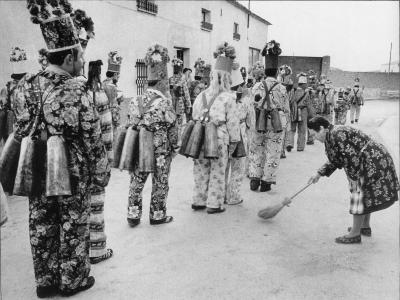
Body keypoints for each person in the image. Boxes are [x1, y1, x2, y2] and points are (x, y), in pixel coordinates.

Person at [18, 2, 109, 297]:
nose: (82, 62)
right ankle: (72, 280)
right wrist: (101, 172)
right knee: (72, 222)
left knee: (41, 221)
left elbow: (19, 129)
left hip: (36, 164)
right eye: (80, 56)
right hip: (71, 169)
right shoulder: (76, 89)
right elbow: (92, 137)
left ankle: (45, 282)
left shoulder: (27, 85)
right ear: (69, 56)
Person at [308, 116, 399, 244]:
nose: (314, 138)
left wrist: (354, 179)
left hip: (373, 160)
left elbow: (352, 160)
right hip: (371, 159)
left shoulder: (336, 135)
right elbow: (336, 159)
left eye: (314, 134)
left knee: (358, 194)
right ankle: (364, 226)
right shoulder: (332, 135)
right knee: (365, 194)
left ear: (322, 129)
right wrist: (319, 173)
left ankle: (355, 234)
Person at [126, 44, 178, 226]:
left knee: (137, 180)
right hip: (160, 150)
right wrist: (174, 148)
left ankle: (133, 215)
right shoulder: (164, 103)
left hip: (139, 147)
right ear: (162, 80)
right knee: (160, 181)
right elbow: (173, 128)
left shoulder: (134, 101)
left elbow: (130, 124)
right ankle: (157, 215)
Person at [191, 42, 240, 214]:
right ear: (227, 77)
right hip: (219, 138)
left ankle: (198, 200)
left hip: (200, 136)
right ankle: (214, 204)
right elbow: (233, 124)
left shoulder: (200, 96)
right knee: (218, 171)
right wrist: (233, 144)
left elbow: (193, 115)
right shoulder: (228, 97)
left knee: (200, 169)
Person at [248, 55, 289, 192]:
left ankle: (254, 179)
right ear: (277, 72)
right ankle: (266, 182)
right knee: (273, 151)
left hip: (259, 121)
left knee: (257, 149)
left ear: (265, 72)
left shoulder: (256, 86)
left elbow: (251, 105)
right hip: (276, 123)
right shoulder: (282, 88)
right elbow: (286, 108)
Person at [86, 60, 114, 264]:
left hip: (76, 158)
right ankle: (97, 250)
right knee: (96, 204)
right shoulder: (99, 94)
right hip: (96, 156)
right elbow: (106, 128)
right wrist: (109, 155)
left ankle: (81, 248)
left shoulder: (79, 92)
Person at [225, 64, 252, 205]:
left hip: (223, 134)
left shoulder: (223, 99)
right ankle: (233, 196)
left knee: (224, 166)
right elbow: (250, 121)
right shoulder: (246, 100)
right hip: (240, 133)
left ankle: (222, 195)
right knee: (238, 167)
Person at [0, 47, 29, 144]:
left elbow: (3, 111)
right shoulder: (33, 83)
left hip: (16, 127)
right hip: (24, 126)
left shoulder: (8, 87)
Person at [169, 57, 192, 144]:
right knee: (179, 122)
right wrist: (189, 105)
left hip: (172, 102)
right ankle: (177, 140)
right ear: (180, 70)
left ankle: (172, 140)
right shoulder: (182, 79)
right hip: (180, 102)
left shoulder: (170, 79)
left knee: (172, 121)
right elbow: (186, 93)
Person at [286, 72, 310, 152]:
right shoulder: (306, 93)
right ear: (303, 84)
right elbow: (309, 104)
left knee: (292, 129)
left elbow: (289, 101)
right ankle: (300, 147)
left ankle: (290, 143)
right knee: (302, 130)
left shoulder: (293, 91)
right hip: (303, 112)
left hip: (294, 111)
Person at [103, 51, 123, 139]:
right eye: (118, 76)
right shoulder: (111, 86)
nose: (118, 78)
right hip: (111, 114)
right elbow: (114, 103)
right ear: (115, 74)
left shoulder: (103, 83)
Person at [277, 64, 293, 158]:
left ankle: (281, 151)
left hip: (282, 112)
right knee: (282, 133)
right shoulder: (286, 87)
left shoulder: (282, 86)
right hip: (283, 112)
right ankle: (281, 151)